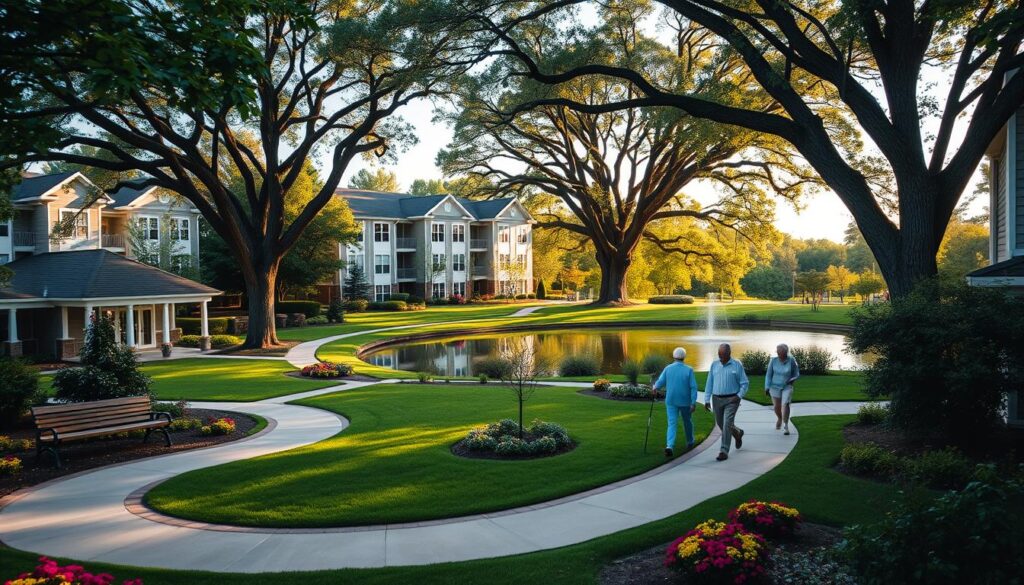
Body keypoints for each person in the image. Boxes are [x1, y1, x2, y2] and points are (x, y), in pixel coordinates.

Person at [704, 343, 749, 461]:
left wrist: (739, 396)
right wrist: (706, 399)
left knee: (727, 423)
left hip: (732, 400)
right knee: (720, 424)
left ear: (729, 353)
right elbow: (709, 383)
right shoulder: (714, 364)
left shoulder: (737, 365)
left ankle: (723, 451)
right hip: (716, 399)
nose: (720, 357)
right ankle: (738, 433)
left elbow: (745, 383)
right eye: (719, 354)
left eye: (723, 354)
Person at [652, 347, 698, 458]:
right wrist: (693, 403)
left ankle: (670, 445)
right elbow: (693, 387)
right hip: (685, 402)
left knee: (672, 423)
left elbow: (660, 382)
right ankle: (690, 441)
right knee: (687, 421)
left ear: (674, 357)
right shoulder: (689, 370)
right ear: (684, 357)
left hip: (671, 400)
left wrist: (655, 387)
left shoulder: (668, 368)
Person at [765, 343, 800, 435]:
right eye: (778, 352)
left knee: (785, 404)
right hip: (774, 386)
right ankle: (780, 418)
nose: (778, 354)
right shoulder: (773, 360)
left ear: (785, 353)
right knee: (777, 406)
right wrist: (767, 387)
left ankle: (786, 425)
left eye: (780, 353)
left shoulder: (791, 360)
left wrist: (792, 380)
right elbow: (768, 375)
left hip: (787, 386)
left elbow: (796, 374)